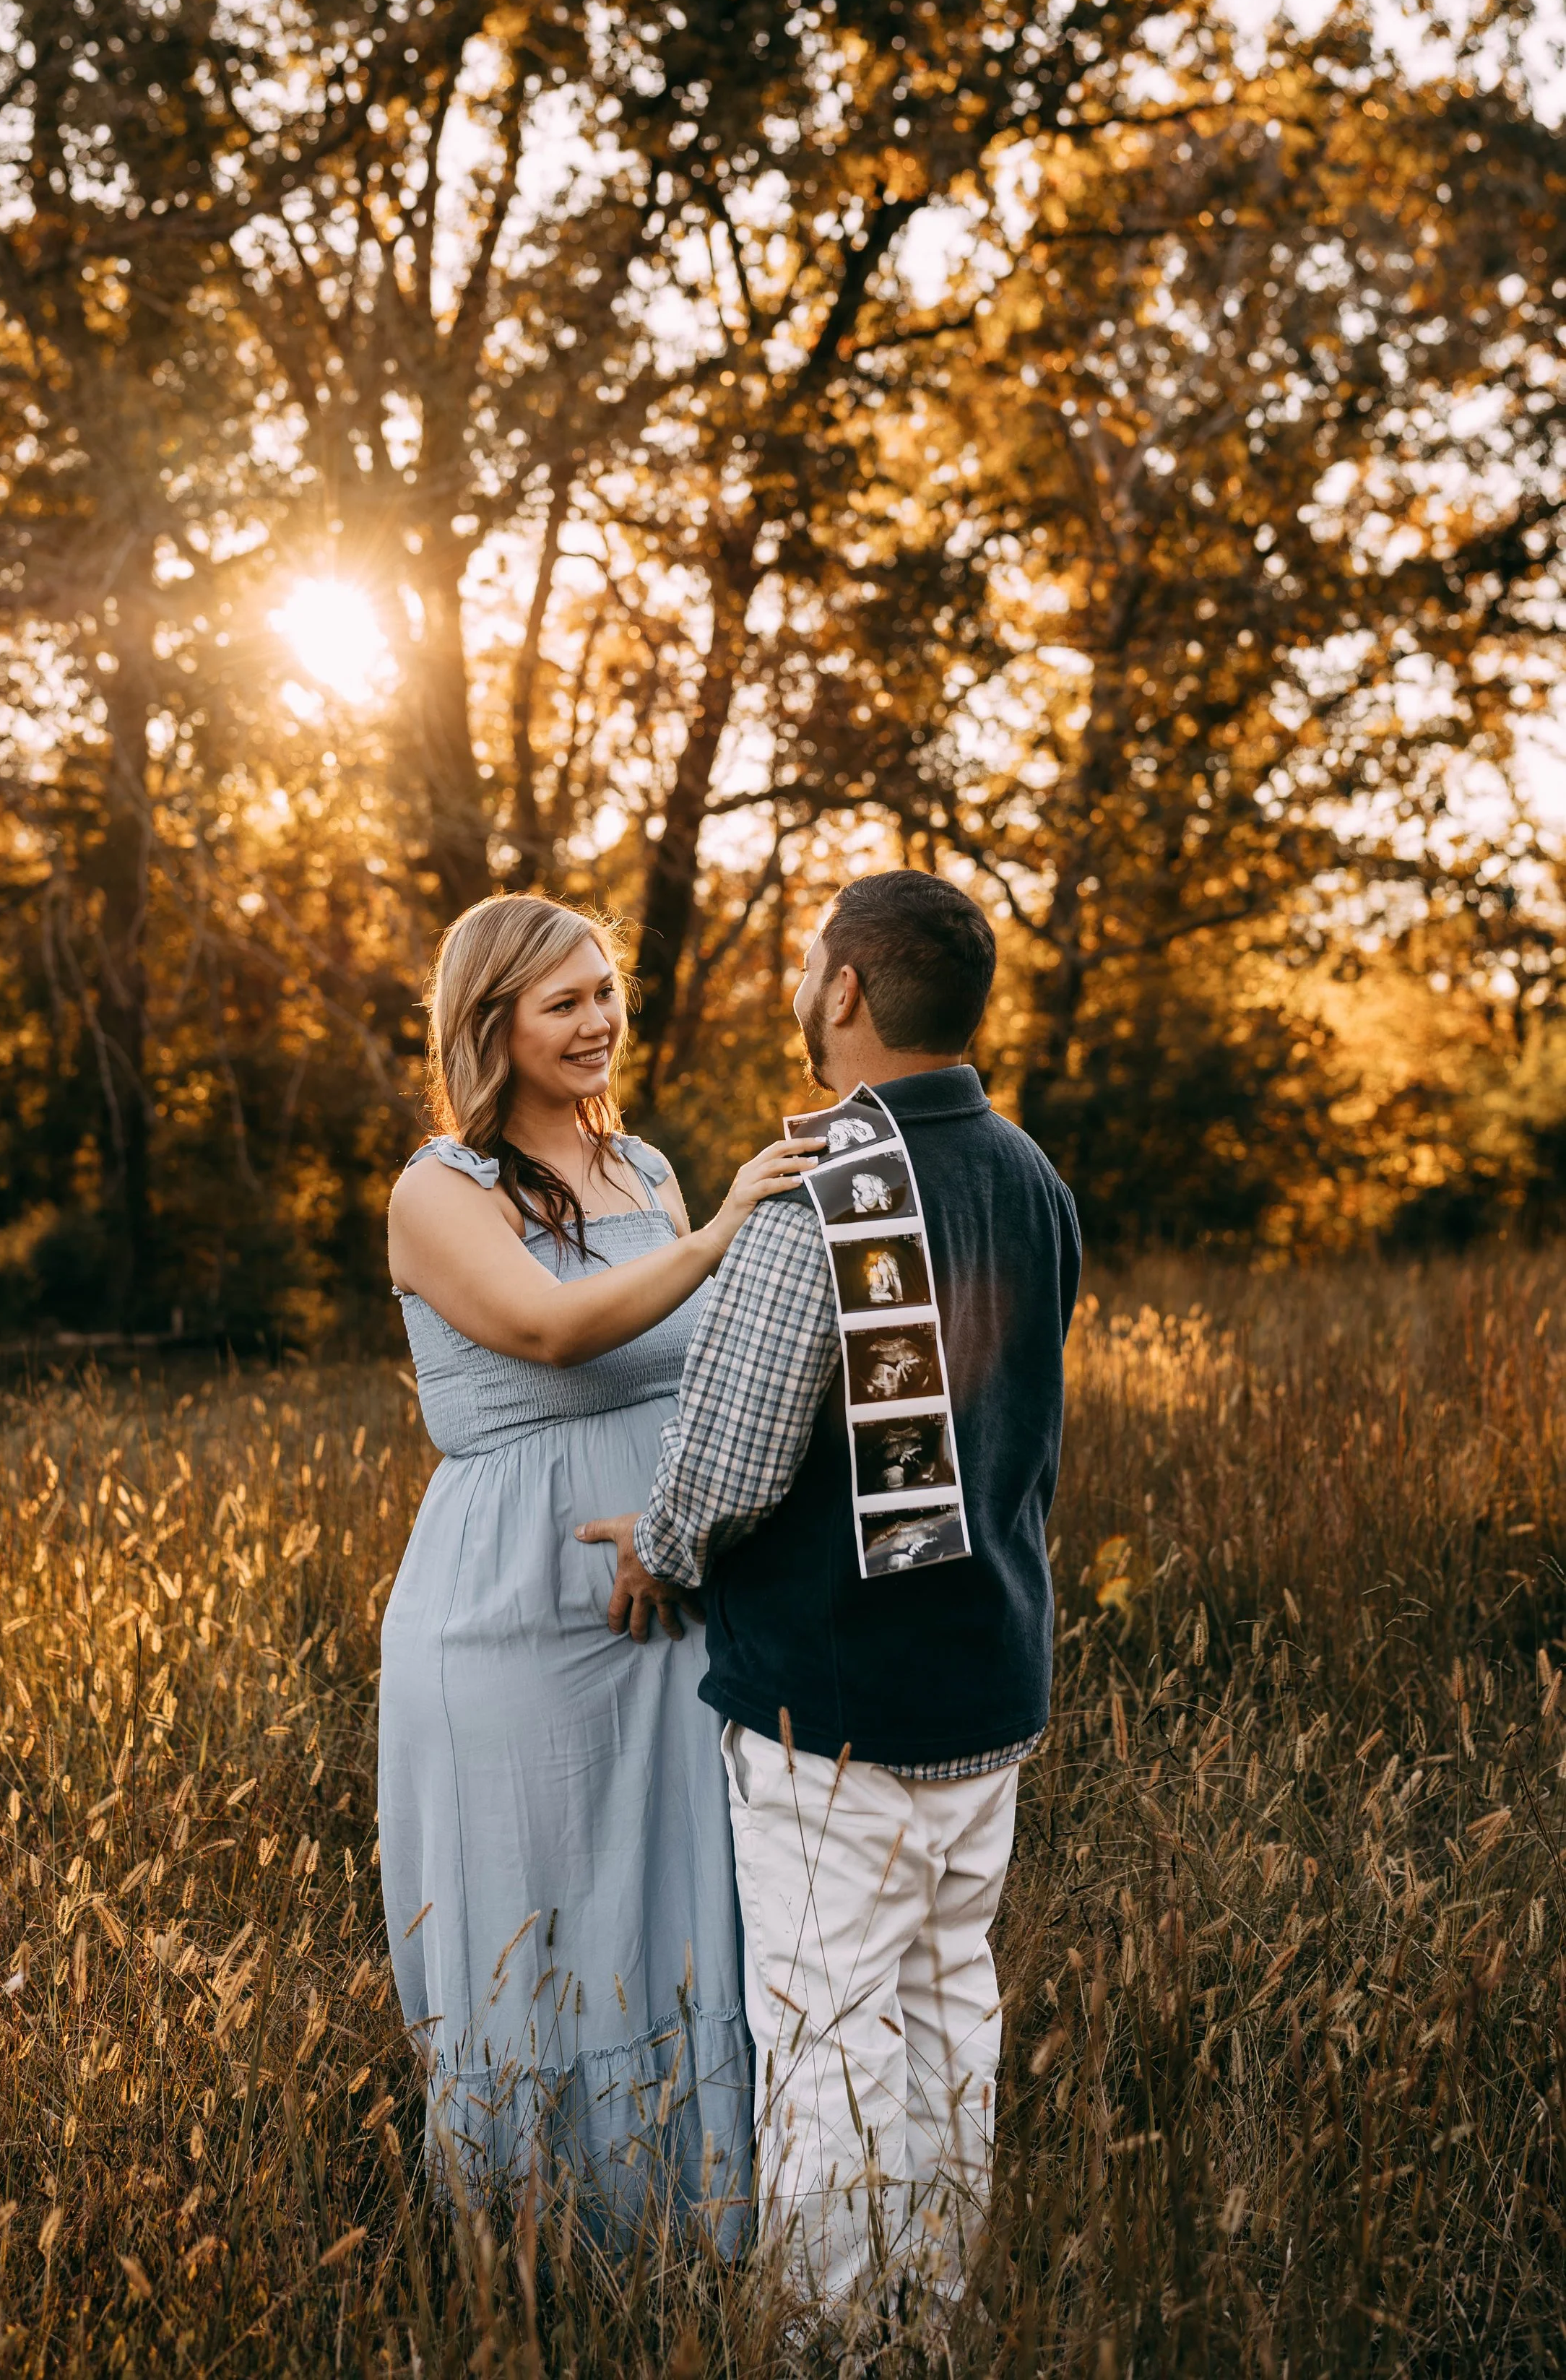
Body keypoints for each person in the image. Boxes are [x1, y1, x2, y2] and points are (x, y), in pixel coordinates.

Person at [580, 870, 1081, 2301]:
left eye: (810, 964)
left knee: (825, 2036)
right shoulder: (1029, 1174)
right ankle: (928, 2313)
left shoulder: (824, 1187)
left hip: (836, 1707)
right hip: (989, 1677)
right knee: (949, 2008)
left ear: (845, 989)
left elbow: (730, 1458)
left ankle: (835, 2341)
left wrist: (658, 1545)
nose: (802, 986)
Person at [377, 891, 821, 2246]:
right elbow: (551, 1329)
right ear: (491, 1021)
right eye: (562, 1001)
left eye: (606, 991)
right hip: (511, 1597)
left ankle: (689, 2225)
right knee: (540, 1900)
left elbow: (707, 1367)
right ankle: (537, 2242)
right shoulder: (437, 1187)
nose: (597, 1021)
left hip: (671, 1586)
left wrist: (686, 1524)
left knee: (676, 1889)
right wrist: (721, 1230)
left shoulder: (647, 1168)